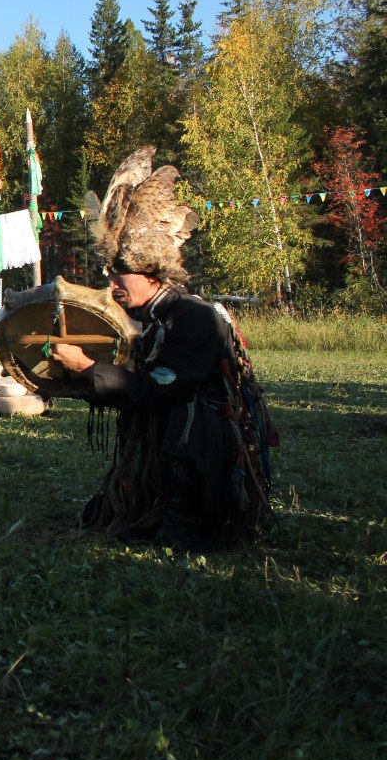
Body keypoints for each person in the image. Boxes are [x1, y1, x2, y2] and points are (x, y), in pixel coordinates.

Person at [50, 146, 274, 551]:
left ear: (151, 273)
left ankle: (188, 525)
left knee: (178, 536)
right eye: (111, 276)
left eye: (122, 276)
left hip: (198, 447)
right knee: (102, 518)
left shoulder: (195, 318)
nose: (114, 286)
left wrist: (87, 367)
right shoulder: (153, 319)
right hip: (166, 446)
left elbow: (155, 392)